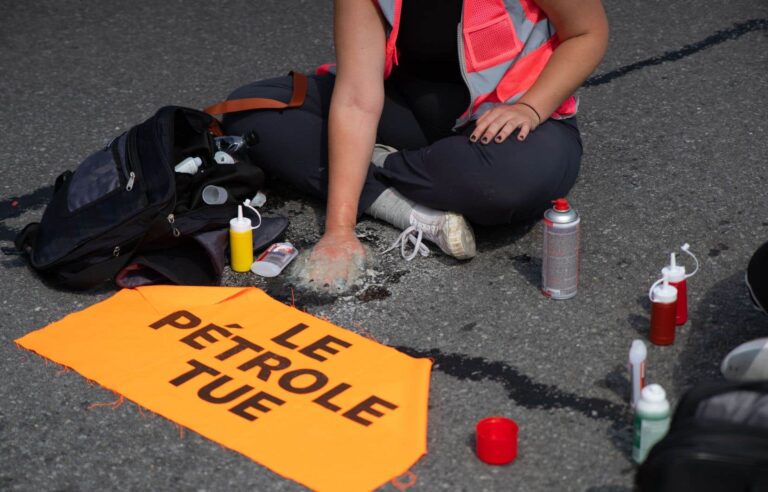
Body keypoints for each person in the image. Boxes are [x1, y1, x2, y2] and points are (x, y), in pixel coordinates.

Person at [223, 0, 609, 291]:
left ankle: (372, 164)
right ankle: (402, 207)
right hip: (406, 114)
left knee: (500, 184)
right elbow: (357, 97)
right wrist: (339, 230)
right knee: (255, 112)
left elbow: (588, 33)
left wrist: (531, 107)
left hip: (512, 120)